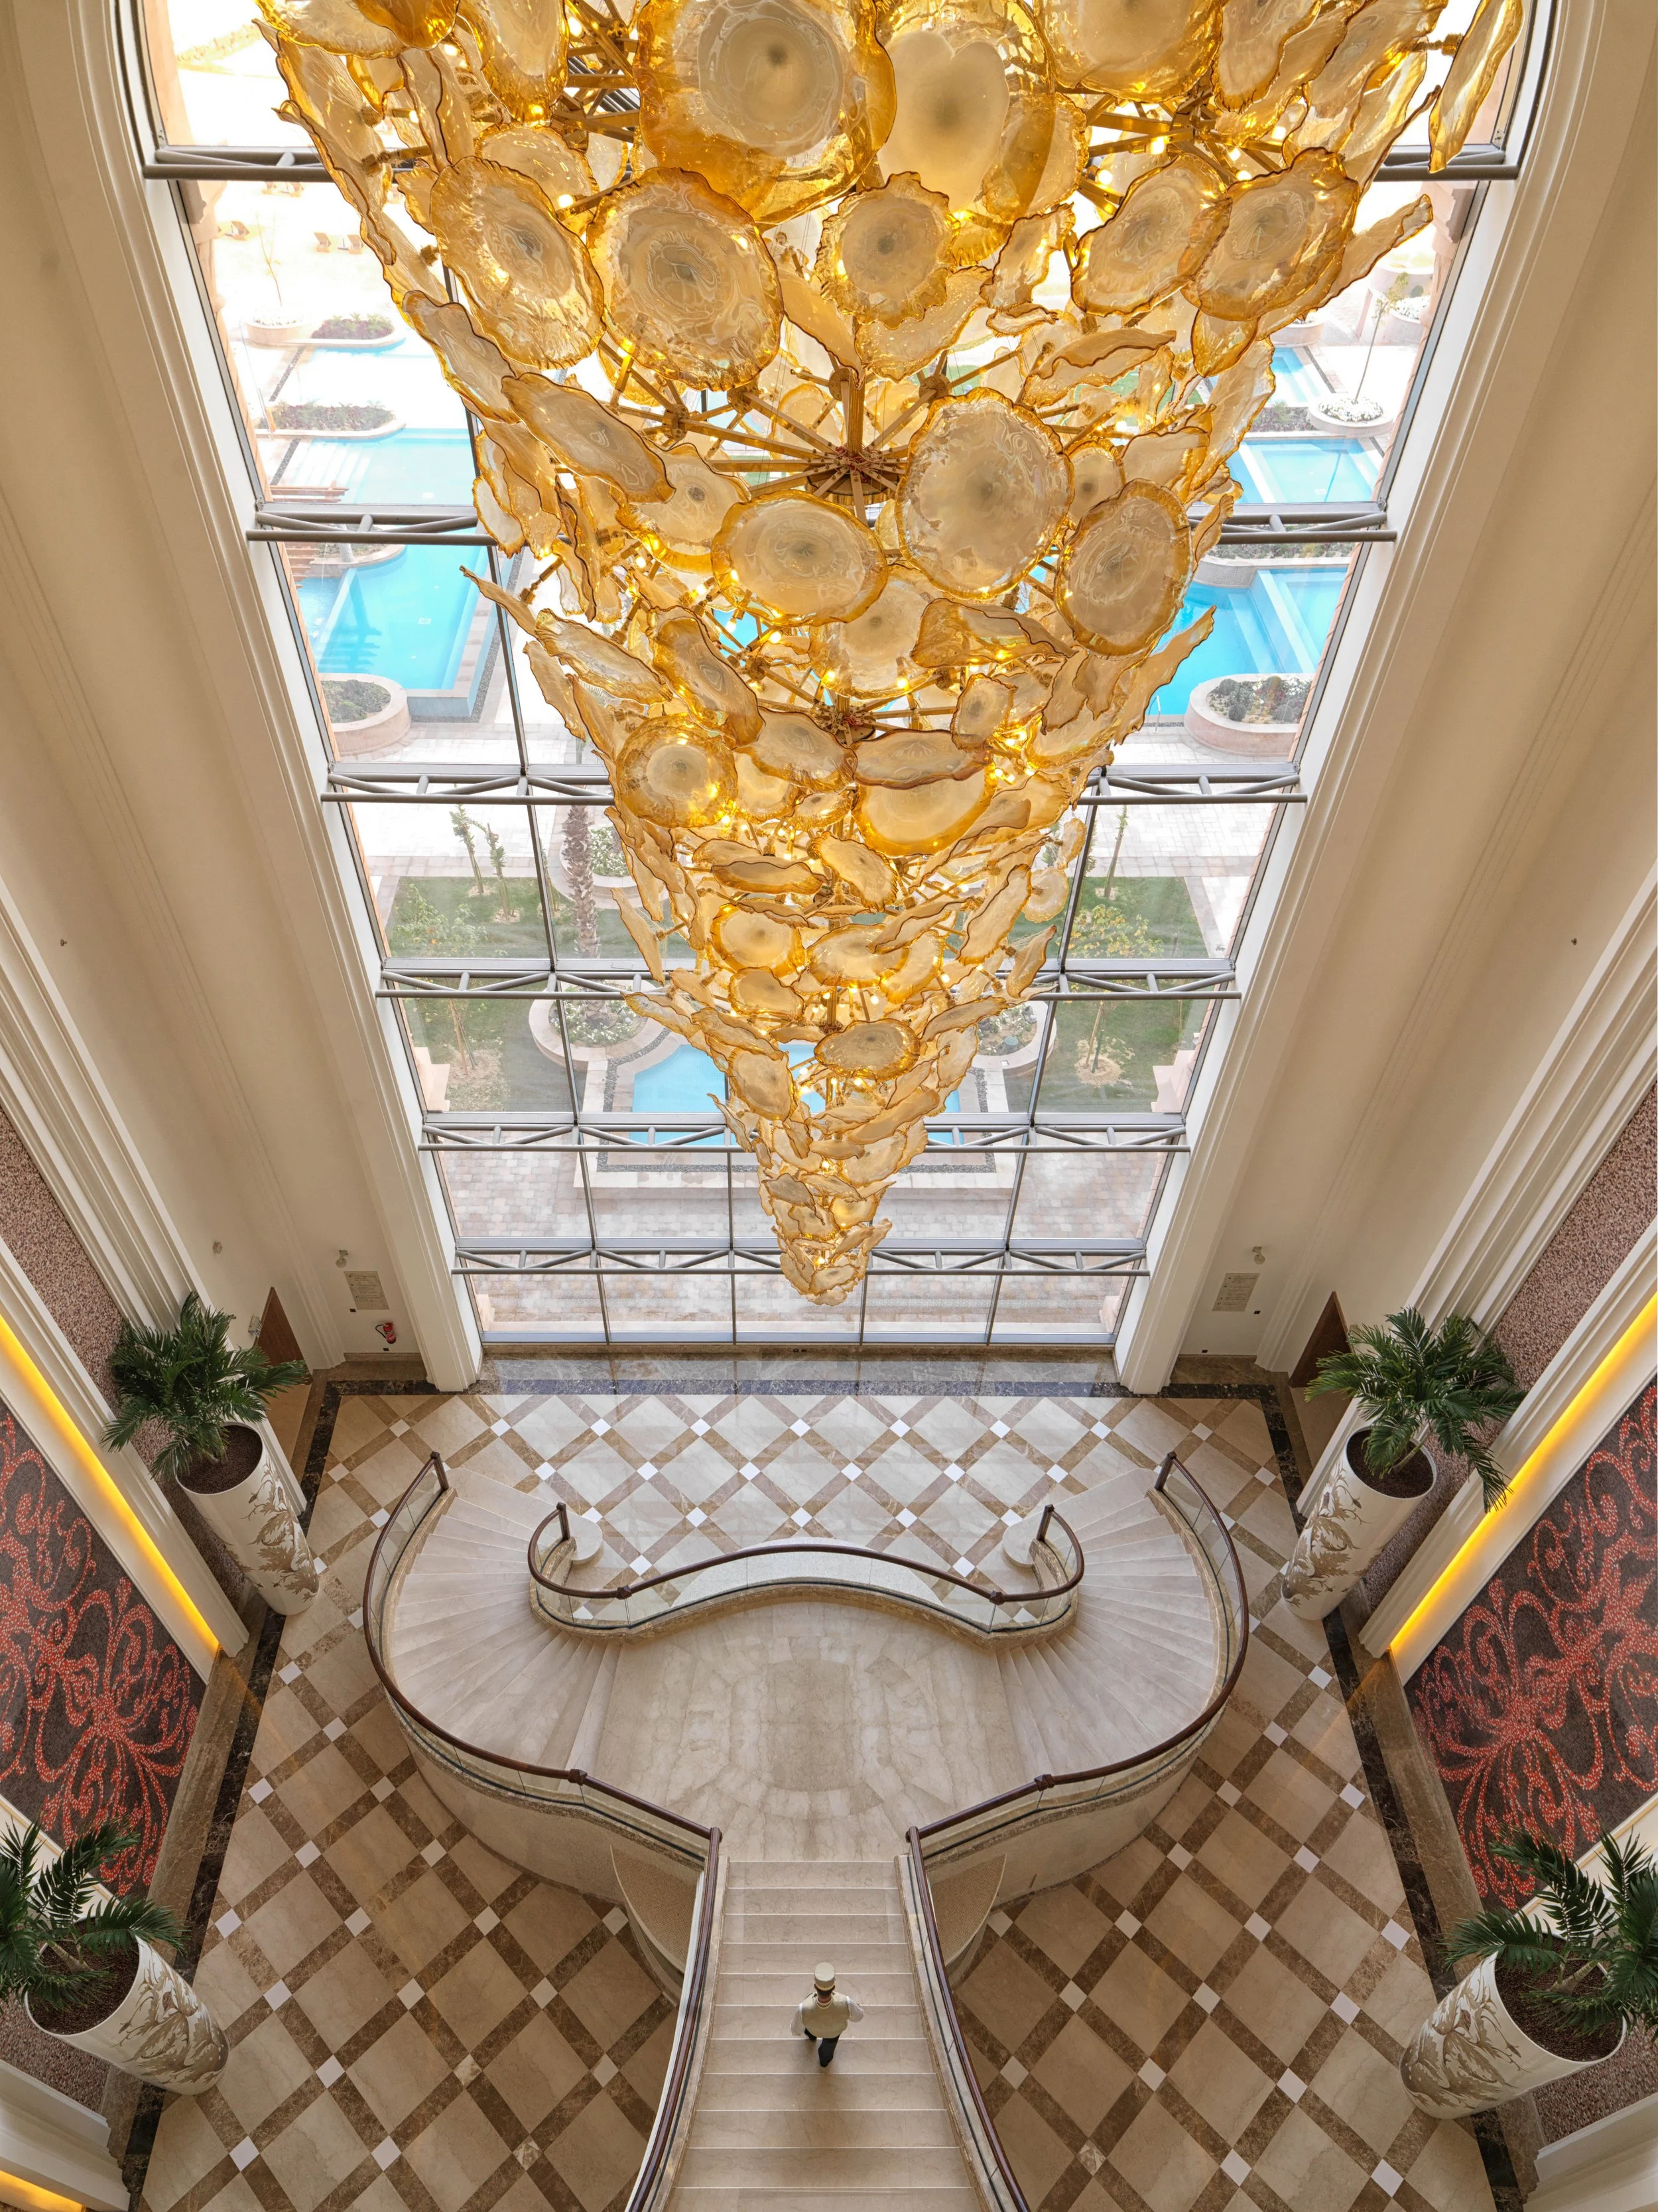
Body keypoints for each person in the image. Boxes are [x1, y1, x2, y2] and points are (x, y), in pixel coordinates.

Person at [791, 1960, 865, 2067]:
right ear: (833, 1987)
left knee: (808, 2027)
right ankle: (824, 2061)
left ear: (815, 1987)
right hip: (833, 2033)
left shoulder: (803, 2008)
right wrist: (856, 2008)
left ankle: (812, 2037)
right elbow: (859, 2017)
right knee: (828, 2049)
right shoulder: (846, 2003)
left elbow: (796, 2030)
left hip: (813, 2028)